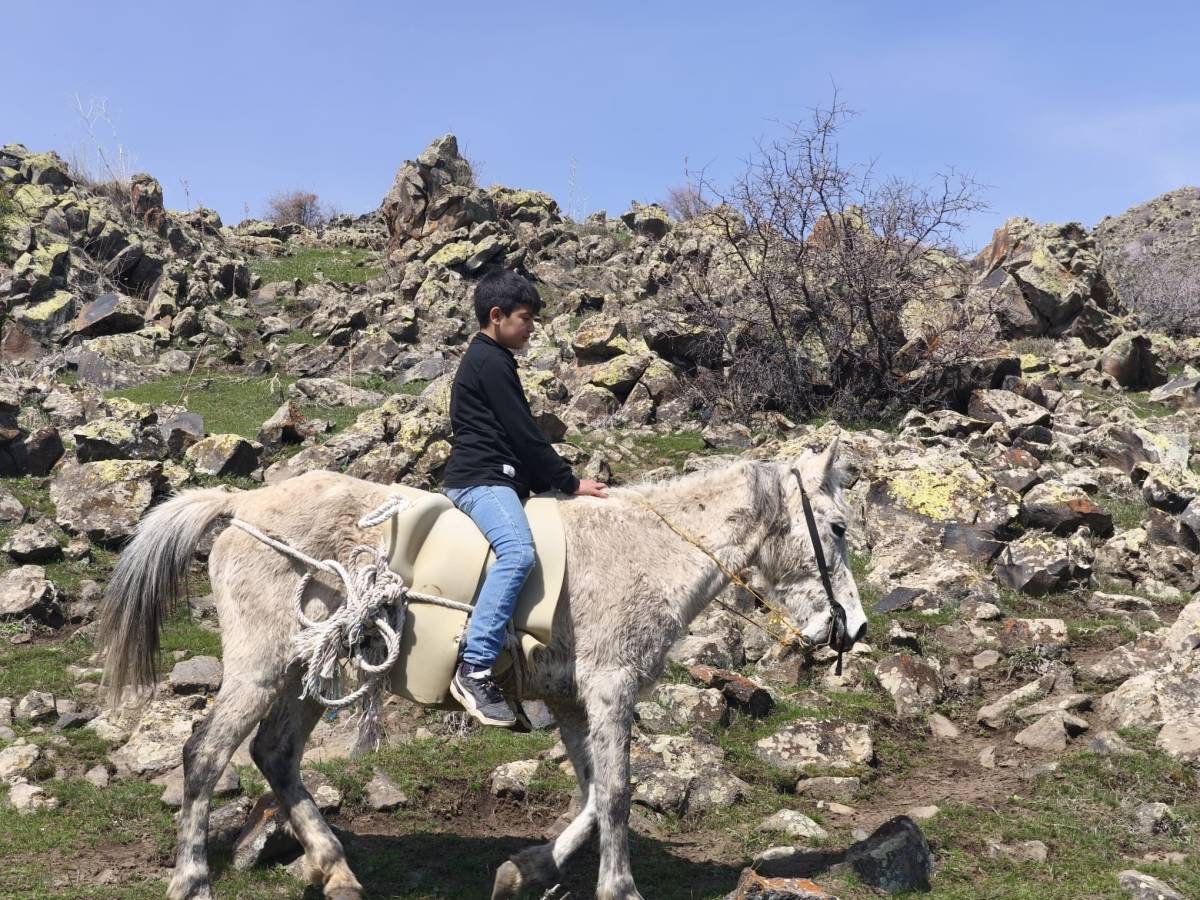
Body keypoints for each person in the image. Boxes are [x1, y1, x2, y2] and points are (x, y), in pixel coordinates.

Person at [442, 268, 609, 726]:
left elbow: (516, 439)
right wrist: (569, 483)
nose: (531, 327)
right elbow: (524, 434)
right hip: (481, 481)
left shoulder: (492, 359)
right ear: (496, 316)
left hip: (500, 478)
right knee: (517, 553)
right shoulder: (490, 362)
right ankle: (475, 668)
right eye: (525, 318)